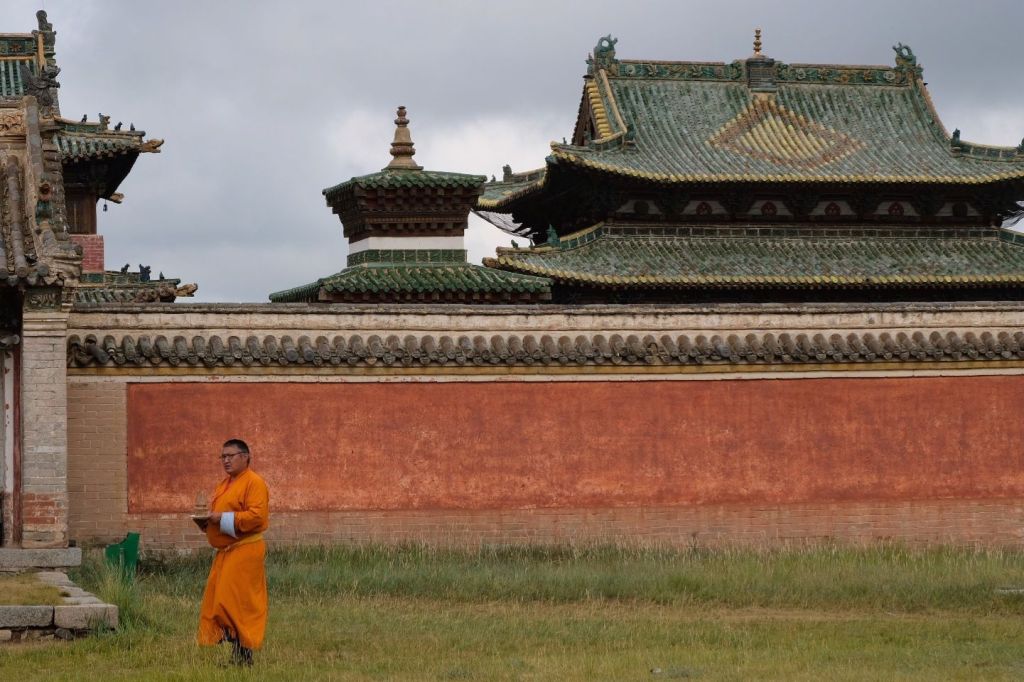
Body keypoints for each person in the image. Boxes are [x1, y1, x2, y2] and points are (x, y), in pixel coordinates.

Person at [194, 438, 270, 666]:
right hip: (226, 551)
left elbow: (257, 517)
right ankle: (236, 649)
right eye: (223, 457)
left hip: (245, 549)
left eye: (230, 456)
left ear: (245, 457)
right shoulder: (225, 484)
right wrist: (207, 523)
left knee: (237, 602)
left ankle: (244, 655)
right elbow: (220, 513)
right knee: (219, 599)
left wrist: (220, 518)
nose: (225, 460)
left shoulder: (254, 482)